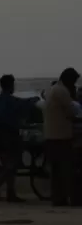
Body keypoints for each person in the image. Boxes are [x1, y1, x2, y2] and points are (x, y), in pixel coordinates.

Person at [43, 68, 79, 207]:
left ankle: (58, 199)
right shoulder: (62, 92)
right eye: (74, 81)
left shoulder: (52, 89)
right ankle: (71, 198)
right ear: (68, 79)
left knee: (56, 171)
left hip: (51, 135)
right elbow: (71, 111)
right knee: (66, 169)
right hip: (61, 136)